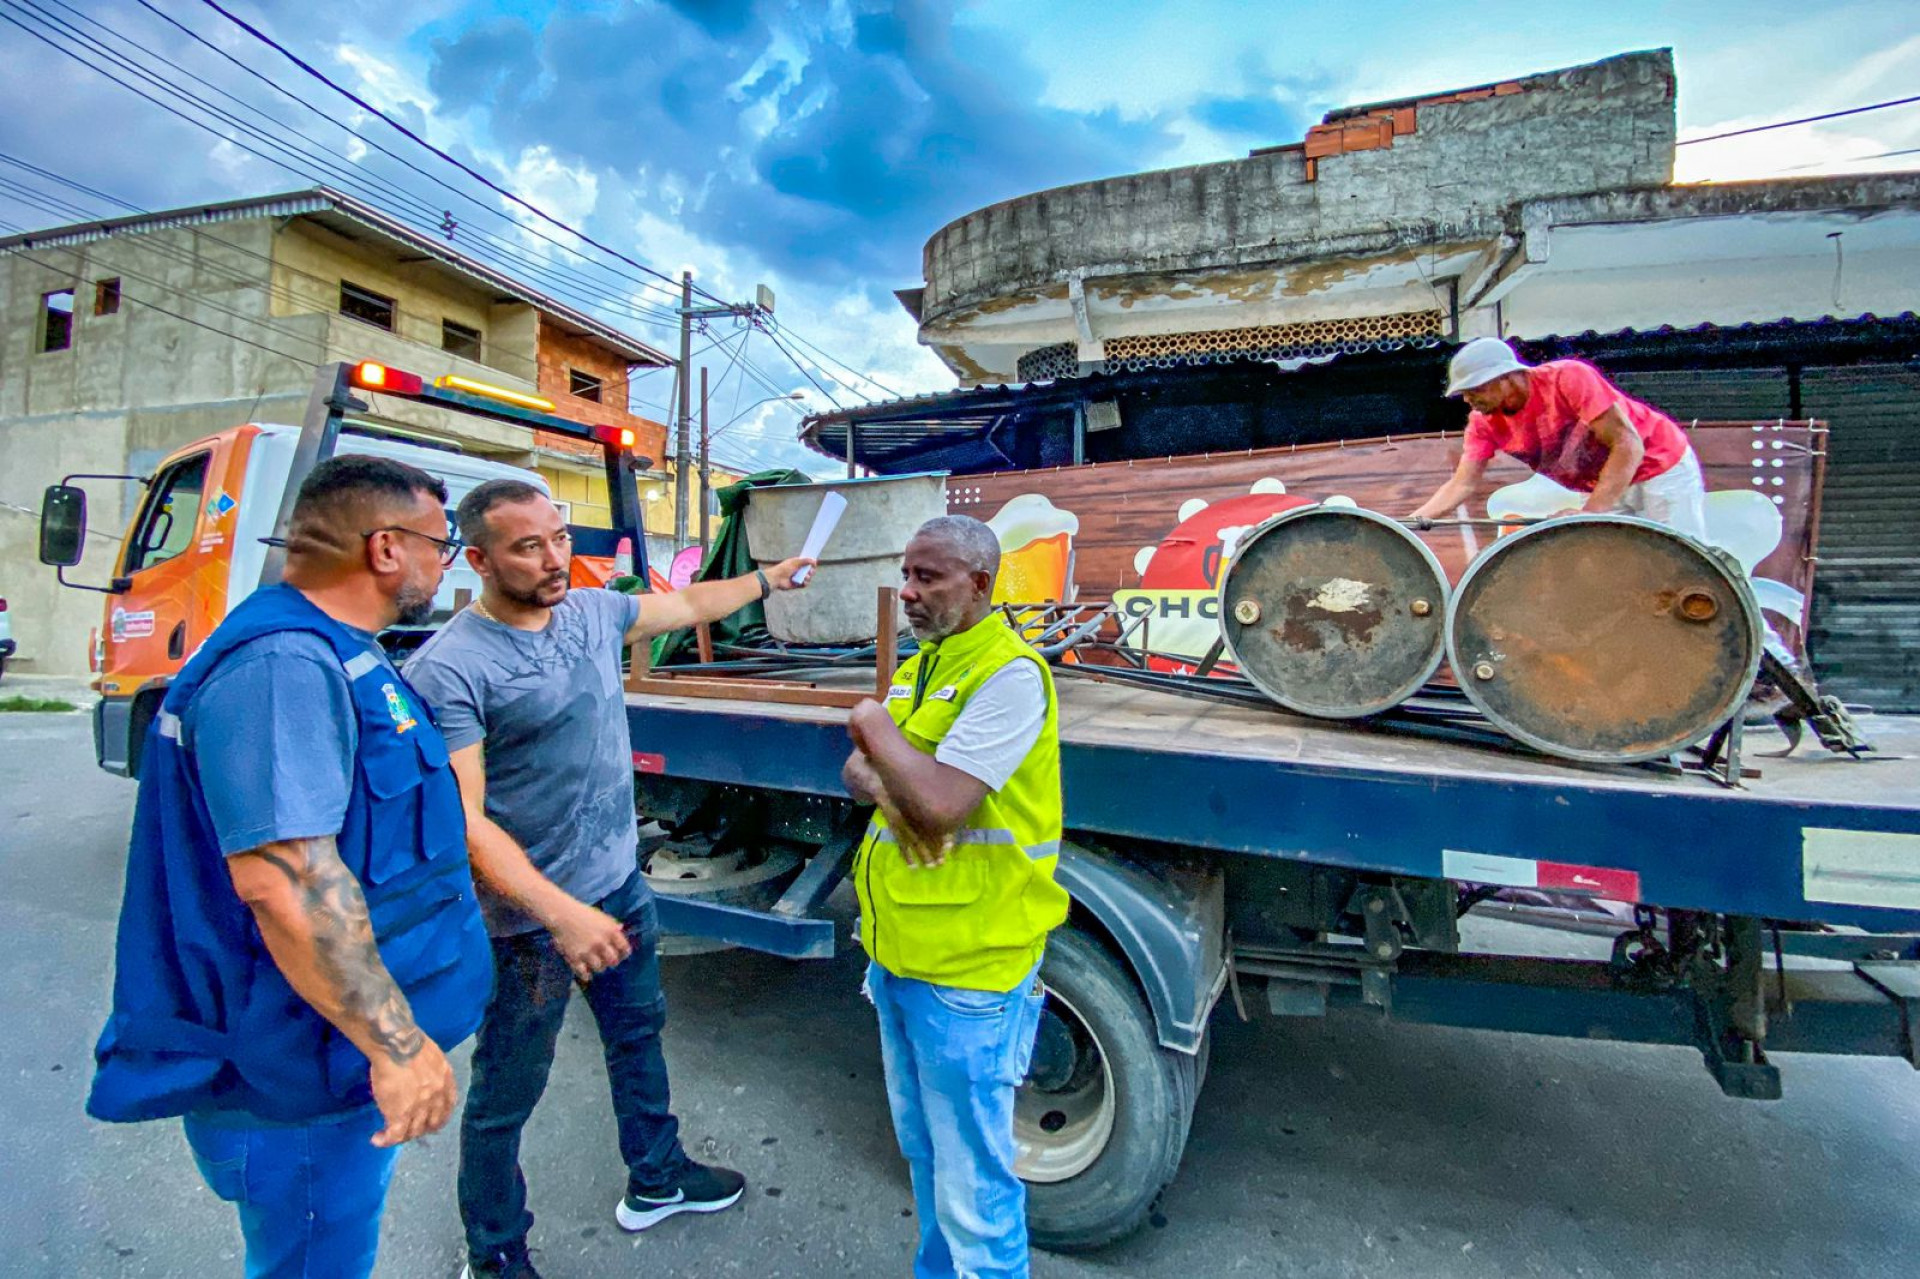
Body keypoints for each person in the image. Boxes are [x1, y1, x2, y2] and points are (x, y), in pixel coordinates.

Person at [86, 455, 494, 1279]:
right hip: (295, 1074)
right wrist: (399, 1047)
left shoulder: (340, 650)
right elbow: (287, 880)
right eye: (438, 544)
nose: (443, 562)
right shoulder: (283, 668)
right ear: (385, 549)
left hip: (321, 1058)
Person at [402, 479, 815, 1279]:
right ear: (480, 558)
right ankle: (493, 1253)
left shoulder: (592, 609)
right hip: (530, 921)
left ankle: (657, 1177)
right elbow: (466, 822)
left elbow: (690, 603)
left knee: (637, 1032)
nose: (555, 557)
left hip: (616, 886)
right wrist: (560, 914)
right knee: (505, 1094)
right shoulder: (451, 667)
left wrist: (769, 579)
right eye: (529, 546)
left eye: (559, 536)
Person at [841, 514, 1069, 1279]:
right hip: (900, 956)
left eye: (927, 576)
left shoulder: (1007, 673)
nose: (908, 591)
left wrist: (875, 726)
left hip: (969, 973)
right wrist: (889, 770)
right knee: (928, 1158)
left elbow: (937, 802)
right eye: (905, 574)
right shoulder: (925, 665)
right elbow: (861, 776)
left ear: (979, 582)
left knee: (975, 1184)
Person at [1409, 336, 1708, 536]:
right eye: (1464, 392)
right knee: (1612, 558)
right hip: (1600, 482)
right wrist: (1409, 524)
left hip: (1659, 465)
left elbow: (1627, 444)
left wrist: (1591, 513)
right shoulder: (1483, 423)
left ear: (1506, 377)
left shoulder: (1567, 378)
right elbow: (1463, 483)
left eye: (1475, 389)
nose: (1468, 399)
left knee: (1680, 557)